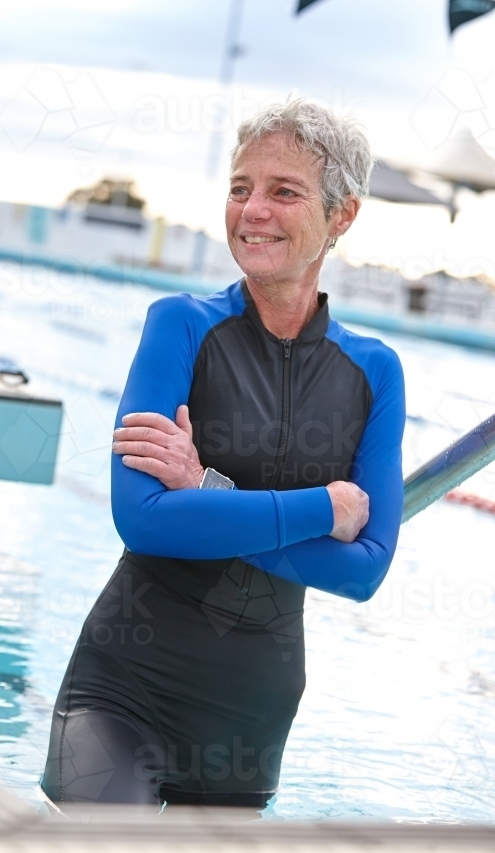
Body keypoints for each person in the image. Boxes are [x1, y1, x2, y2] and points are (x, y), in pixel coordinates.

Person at [41, 98, 405, 809]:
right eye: (240, 188)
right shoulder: (180, 326)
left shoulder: (373, 373)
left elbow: (363, 571)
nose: (251, 210)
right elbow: (144, 521)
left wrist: (204, 489)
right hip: (121, 692)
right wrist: (320, 508)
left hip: (248, 722)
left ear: (342, 216)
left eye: (283, 191)